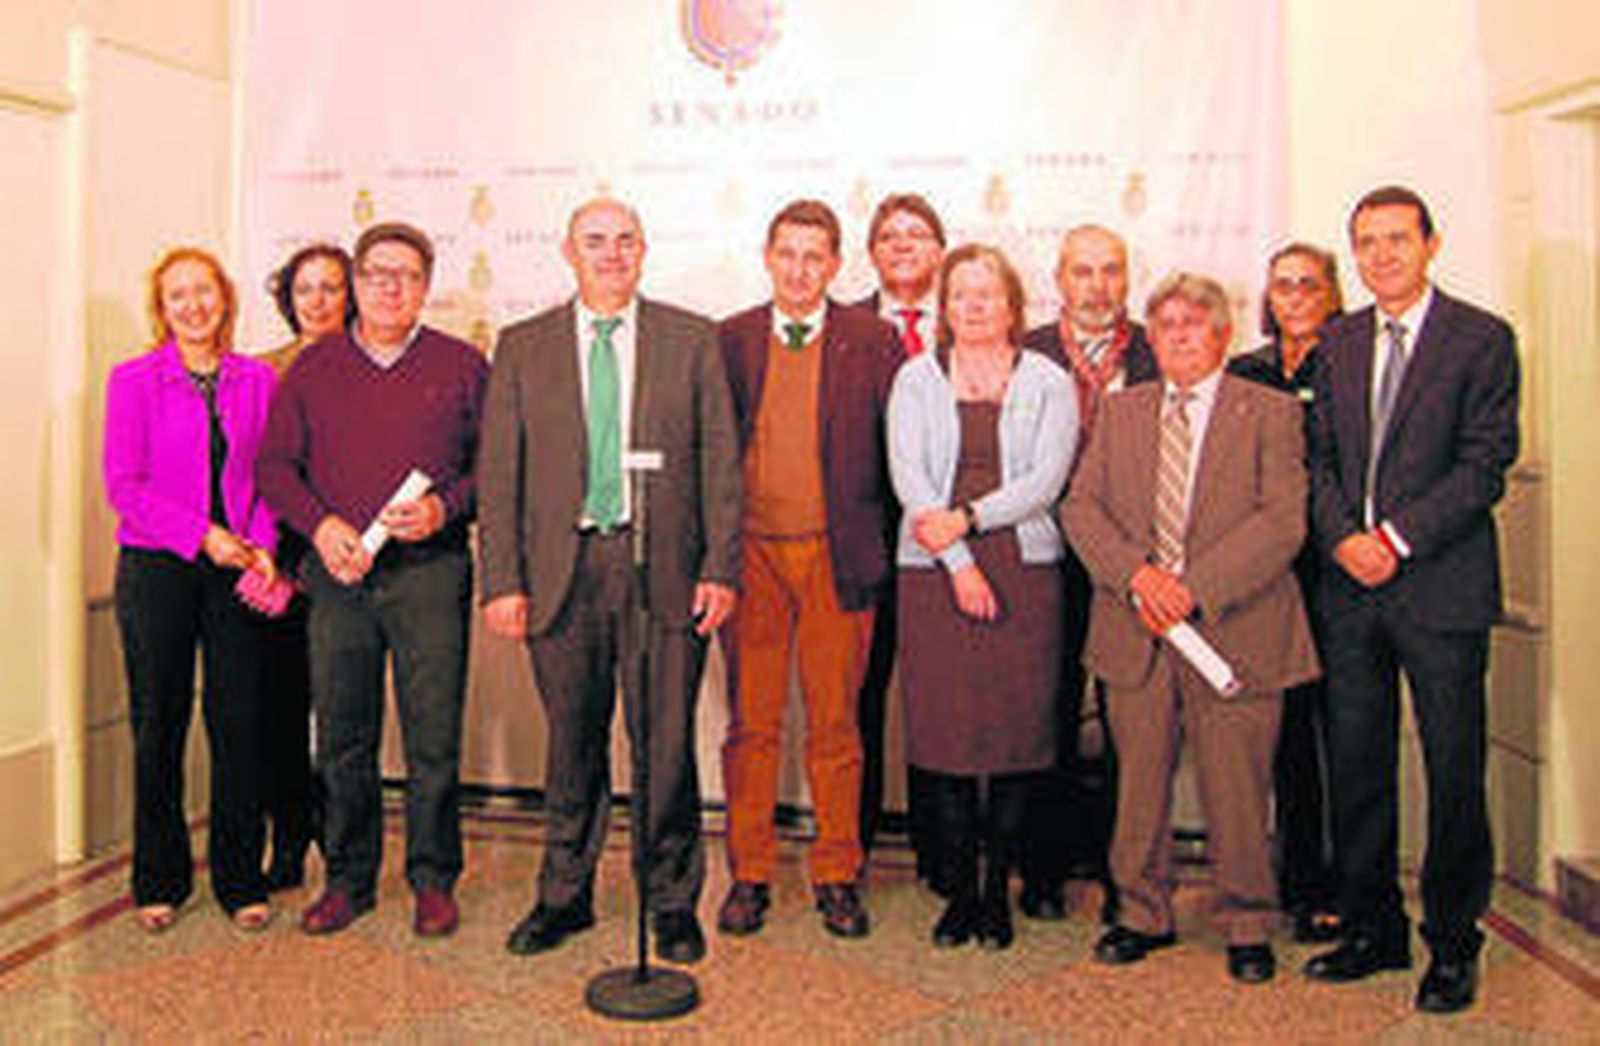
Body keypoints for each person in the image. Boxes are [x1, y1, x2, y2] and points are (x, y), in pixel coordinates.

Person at [478, 198, 742, 963]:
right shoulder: (523, 346)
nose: (611, 253)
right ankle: (564, 897)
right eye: (595, 241)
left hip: (663, 571)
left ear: (645, 250)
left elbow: (721, 464)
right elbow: (500, 476)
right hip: (561, 575)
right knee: (571, 746)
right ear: (568, 251)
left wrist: (720, 568)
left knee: (664, 747)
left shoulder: (690, 339)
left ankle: (671, 902)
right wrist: (503, 580)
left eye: (626, 240)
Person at [1061, 271, 1318, 985]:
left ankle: (1247, 920)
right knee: (1138, 785)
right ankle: (1141, 912)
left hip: (1237, 629)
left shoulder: (1268, 412)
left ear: (1223, 334)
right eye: (1165, 323)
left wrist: (1192, 590)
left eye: (1194, 322)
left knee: (1237, 785)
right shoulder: (1123, 412)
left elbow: (1283, 521)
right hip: (1136, 628)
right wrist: (1140, 579)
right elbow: (1082, 509)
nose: (1178, 334)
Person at [1303, 186, 1520, 1015]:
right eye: (1366, 242)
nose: (1381, 254)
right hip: (1349, 594)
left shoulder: (1482, 339)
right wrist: (1343, 541)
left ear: (1431, 243)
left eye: (1398, 238)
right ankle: (1371, 927)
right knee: (1356, 764)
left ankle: (1454, 944)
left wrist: (1391, 539)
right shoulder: (1340, 341)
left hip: (1440, 588)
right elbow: (1316, 460)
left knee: (1453, 769)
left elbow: (1486, 462)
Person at [257, 221, 488, 938]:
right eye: (377, 274)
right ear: (355, 284)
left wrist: (443, 506)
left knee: (433, 736)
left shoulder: (462, 363)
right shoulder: (315, 368)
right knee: (344, 738)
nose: (391, 287)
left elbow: (495, 468)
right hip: (341, 578)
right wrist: (321, 528)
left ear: (426, 286)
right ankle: (348, 879)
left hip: (430, 572)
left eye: (408, 275)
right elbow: (275, 468)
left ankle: (432, 878)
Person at [717, 199, 901, 939]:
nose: (799, 269)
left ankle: (836, 872)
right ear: (767, 257)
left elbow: (897, 454)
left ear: (835, 264)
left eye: (814, 257)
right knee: (752, 726)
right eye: (786, 254)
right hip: (751, 558)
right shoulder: (728, 339)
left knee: (835, 724)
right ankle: (749, 874)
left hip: (837, 556)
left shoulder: (875, 340)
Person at [887, 244, 1077, 949]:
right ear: (944, 307)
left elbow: (1045, 483)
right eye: (960, 294)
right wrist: (960, 563)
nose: (973, 306)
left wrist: (967, 522)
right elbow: (910, 482)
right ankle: (959, 891)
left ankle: (1000, 889)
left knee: (1016, 736)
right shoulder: (914, 379)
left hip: (1023, 570)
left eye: (987, 294)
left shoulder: (1050, 381)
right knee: (946, 736)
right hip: (934, 573)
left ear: (1013, 307)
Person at [104, 246, 280, 933]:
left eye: (203, 291)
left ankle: (241, 880)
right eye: (177, 295)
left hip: (237, 568)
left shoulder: (257, 378)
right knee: (159, 725)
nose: (192, 305)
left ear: (225, 299)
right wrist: (201, 534)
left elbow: (269, 471)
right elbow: (124, 485)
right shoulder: (133, 380)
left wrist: (258, 543)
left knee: (240, 724)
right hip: (157, 569)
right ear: (162, 307)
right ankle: (160, 879)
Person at [1019, 223, 1158, 922]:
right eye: (1083, 272)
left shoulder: (1161, 351)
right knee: (1049, 709)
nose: (1097, 286)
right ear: (1059, 278)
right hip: (1047, 557)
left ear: (1127, 279)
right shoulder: (1029, 353)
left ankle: (1120, 872)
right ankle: (1044, 868)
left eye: (1110, 271)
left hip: (1137, 562)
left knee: (1131, 719)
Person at [1228, 242, 1345, 943]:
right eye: (1281, 287)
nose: (1294, 297)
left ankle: (1346, 880)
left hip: (1339, 574)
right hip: (1265, 577)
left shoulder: (1354, 360)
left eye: (1308, 285)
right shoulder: (1246, 371)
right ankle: (1295, 880)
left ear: (1331, 293)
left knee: (1346, 735)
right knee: (1286, 738)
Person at [256, 243, 358, 892]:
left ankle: (348, 847)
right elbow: (252, 472)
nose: (317, 301)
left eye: (330, 288)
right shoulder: (262, 371)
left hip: (347, 561)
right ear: (288, 300)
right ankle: (290, 841)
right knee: (281, 711)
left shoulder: (369, 365)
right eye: (305, 290)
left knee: (346, 714)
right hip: (278, 563)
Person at [853, 193, 944, 879]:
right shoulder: (845, 326)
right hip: (866, 545)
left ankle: (942, 850)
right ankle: (848, 850)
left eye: (917, 234)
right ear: (871, 252)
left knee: (939, 696)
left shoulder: (977, 319)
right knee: (860, 697)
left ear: (940, 248)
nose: (903, 245)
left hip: (951, 545)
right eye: (889, 236)